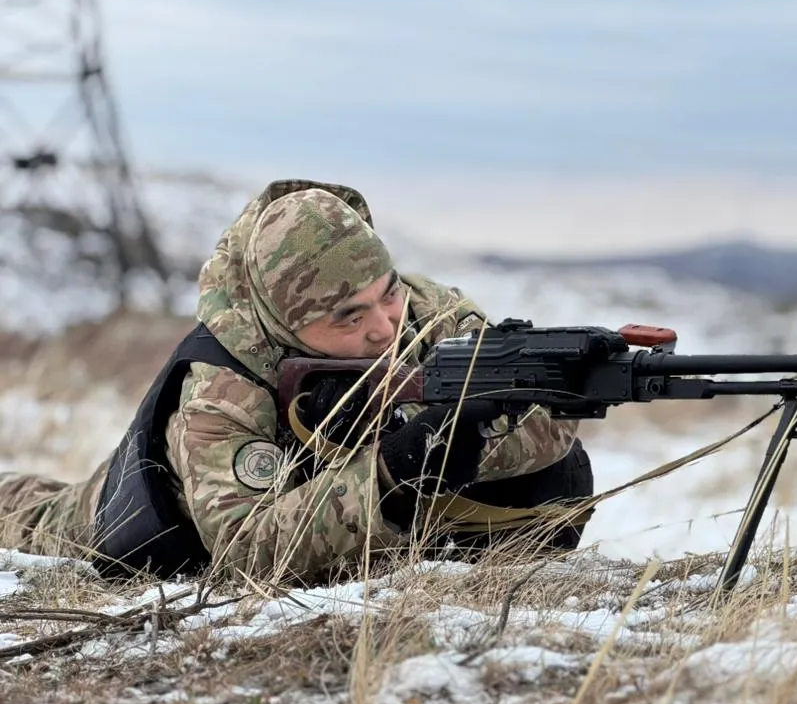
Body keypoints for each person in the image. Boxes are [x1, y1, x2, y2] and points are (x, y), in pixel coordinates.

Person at [0, 179, 594, 583]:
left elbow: (548, 423)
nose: (385, 326)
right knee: (30, 511)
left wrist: (462, 439)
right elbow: (243, 548)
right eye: (349, 318)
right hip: (132, 519)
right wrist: (392, 472)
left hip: (323, 505)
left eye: (387, 294)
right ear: (290, 326)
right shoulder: (222, 388)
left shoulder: (428, 311)